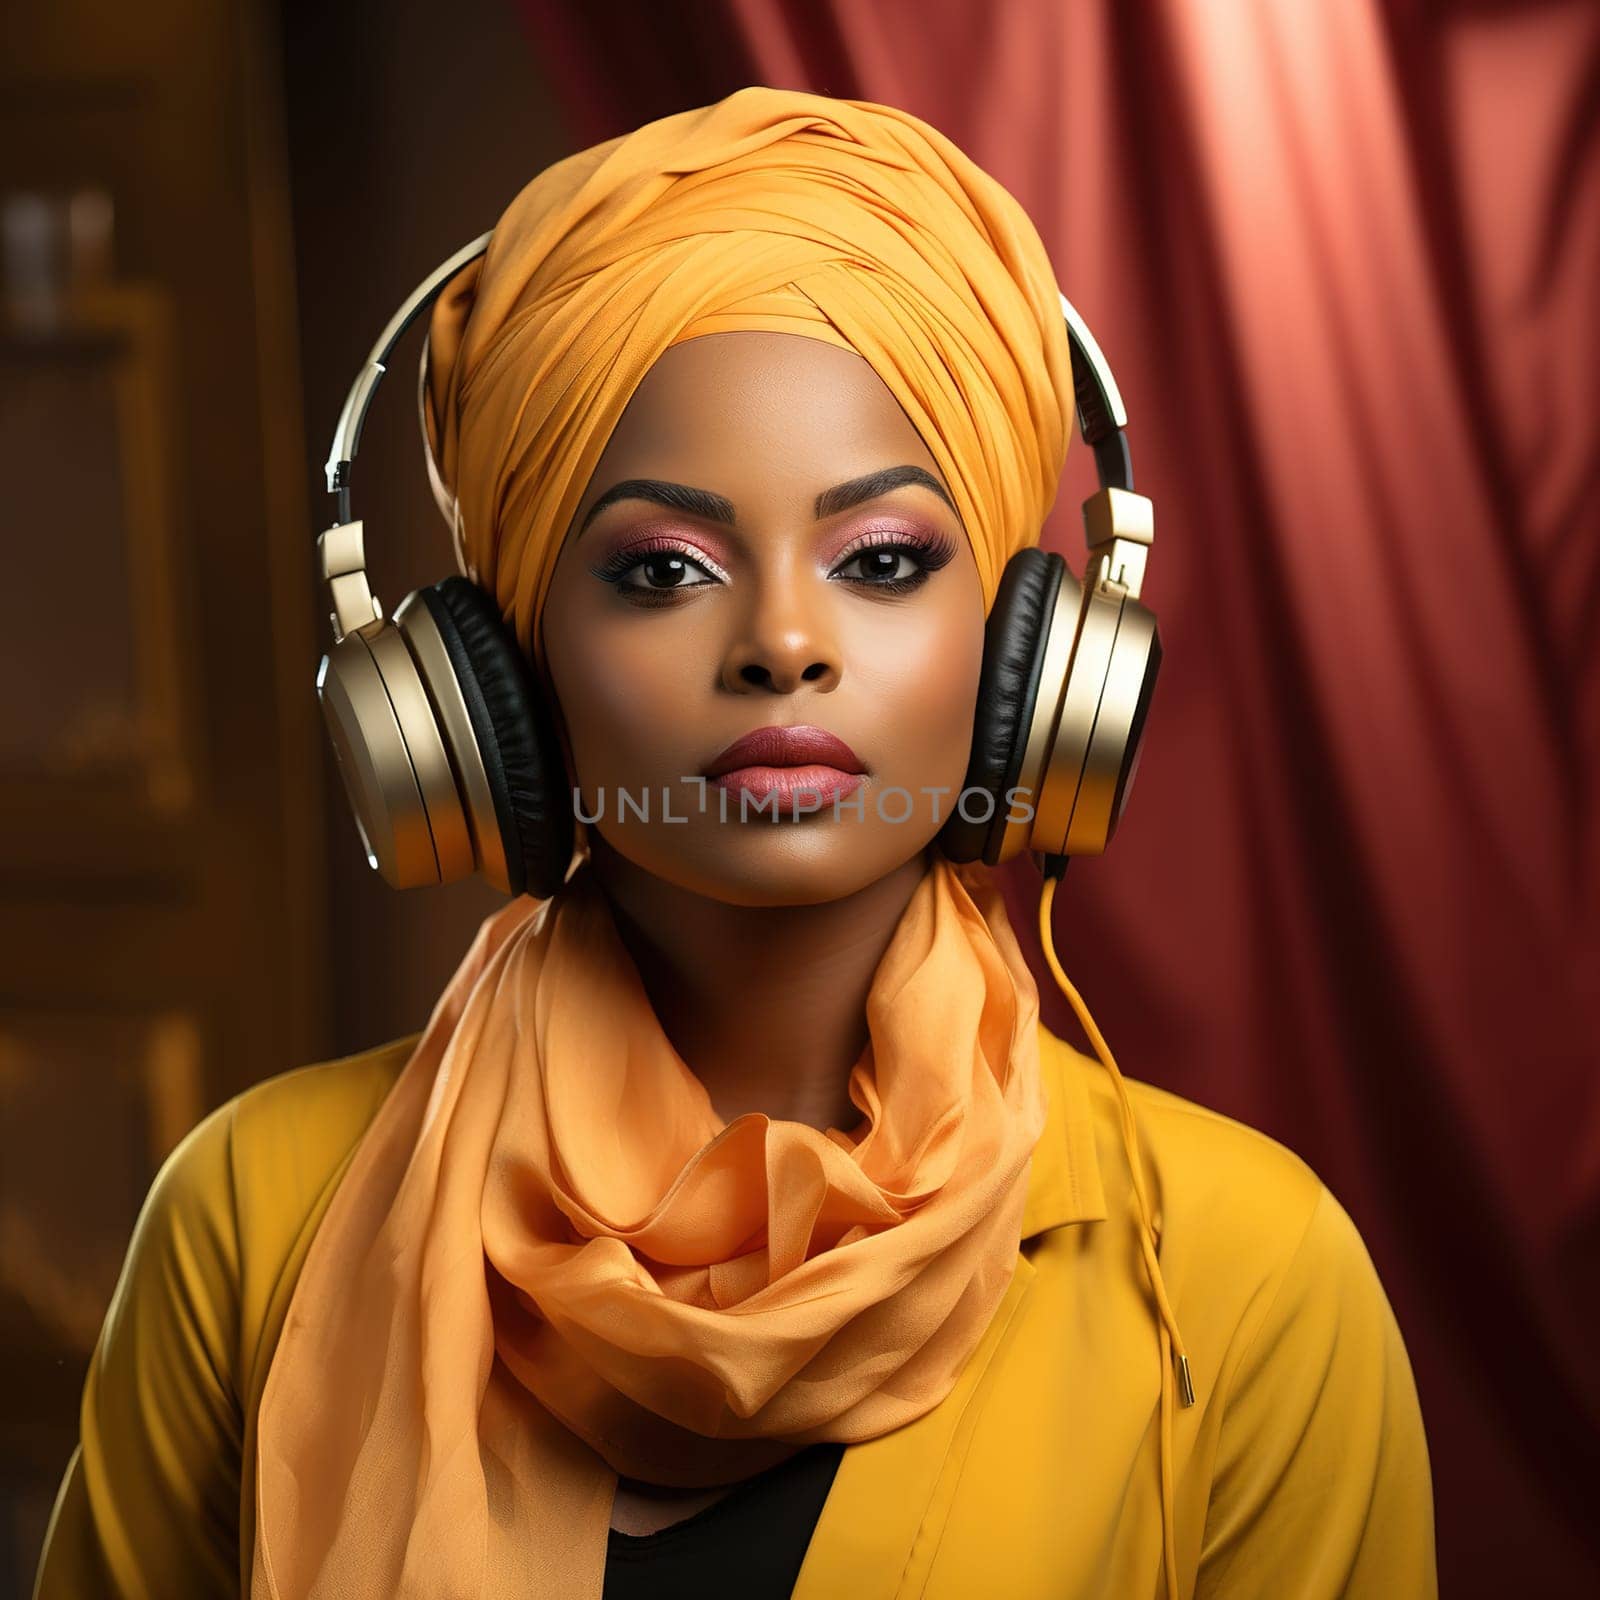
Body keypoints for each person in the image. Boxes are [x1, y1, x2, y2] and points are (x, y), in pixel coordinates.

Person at [32, 87, 1437, 1600]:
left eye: (884, 561)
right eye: (662, 570)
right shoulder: (251, 1219)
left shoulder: (1237, 1277)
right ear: (494, 670)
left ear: (1031, 652)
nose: (780, 643)